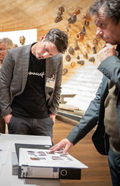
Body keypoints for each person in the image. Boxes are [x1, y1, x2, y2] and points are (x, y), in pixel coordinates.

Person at [50, 0, 120, 185]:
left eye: (102, 25)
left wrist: (111, 64)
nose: (97, 32)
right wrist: (72, 138)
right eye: (96, 26)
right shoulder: (113, 53)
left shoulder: (111, 59)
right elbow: (99, 102)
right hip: (115, 149)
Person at [0, 28, 68, 137]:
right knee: (17, 152)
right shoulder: (14, 55)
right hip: (17, 118)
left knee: (44, 153)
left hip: (44, 119)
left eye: (50, 54)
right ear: (43, 38)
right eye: (45, 49)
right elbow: (3, 85)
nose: (45, 55)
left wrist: (53, 113)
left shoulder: (57, 59)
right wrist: (6, 114)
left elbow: (57, 87)